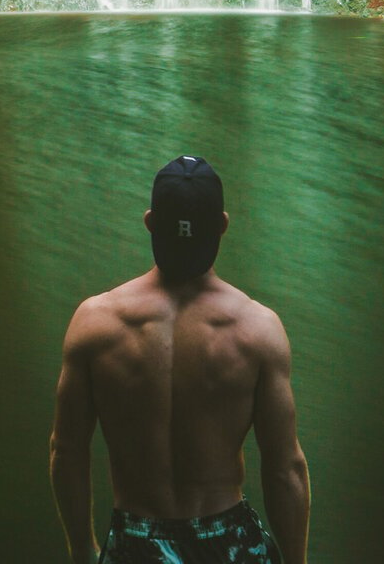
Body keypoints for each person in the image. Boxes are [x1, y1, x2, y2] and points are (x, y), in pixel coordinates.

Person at [50, 155, 310, 564]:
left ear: (150, 222)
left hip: (136, 545)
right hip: (230, 545)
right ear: (222, 225)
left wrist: (82, 548)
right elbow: (284, 467)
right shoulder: (257, 329)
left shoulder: (95, 324)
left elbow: (67, 451)